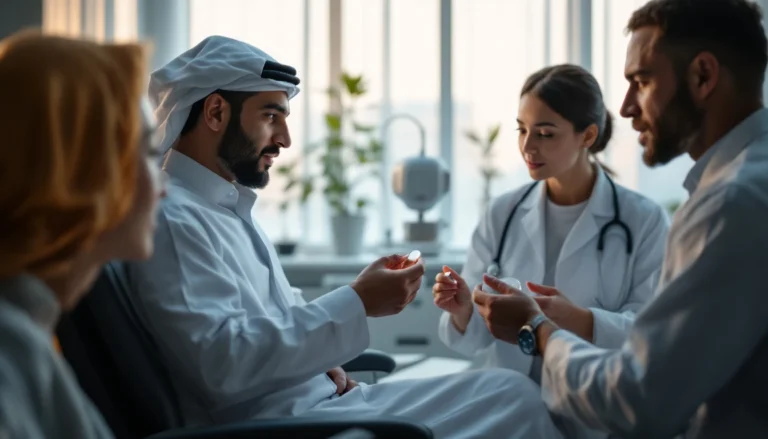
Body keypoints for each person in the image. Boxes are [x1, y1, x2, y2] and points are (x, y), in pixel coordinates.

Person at [124, 35, 563, 439]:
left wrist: (324, 358)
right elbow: (223, 364)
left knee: (508, 390)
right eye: (271, 115)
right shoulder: (173, 219)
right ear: (216, 112)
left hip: (322, 402)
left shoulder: (225, 210)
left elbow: (276, 314)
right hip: (287, 427)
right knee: (513, 404)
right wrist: (357, 301)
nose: (285, 139)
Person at [472, 0, 768, 438]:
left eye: (642, 81)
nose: (626, 108)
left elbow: (637, 398)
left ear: (703, 76)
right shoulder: (746, 183)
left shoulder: (730, 204)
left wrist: (538, 328)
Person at [434, 64, 669, 439]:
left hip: (593, 412)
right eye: (522, 130)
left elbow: (652, 335)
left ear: (587, 135)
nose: (528, 146)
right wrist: (463, 310)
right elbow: (476, 336)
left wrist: (580, 320)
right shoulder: (503, 213)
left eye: (545, 133)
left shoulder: (644, 221)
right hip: (505, 409)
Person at [0, 31, 165, 438]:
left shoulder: (32, 329)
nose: (164, 186)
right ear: (85, 169)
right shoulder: (10, 353)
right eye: (146, 151)